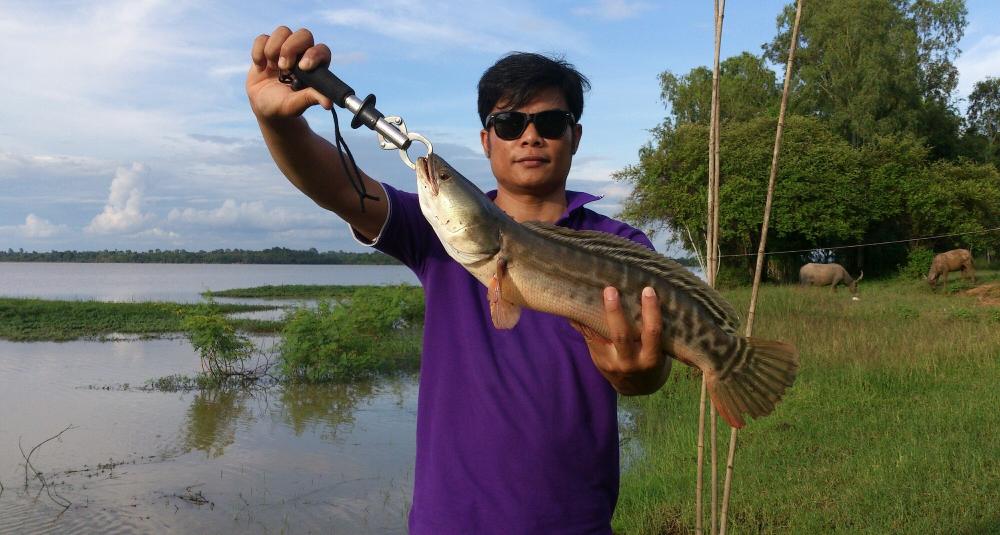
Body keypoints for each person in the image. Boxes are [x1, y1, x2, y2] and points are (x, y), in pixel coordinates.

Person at [248, 26, 670, 535]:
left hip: (576, 522)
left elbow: (647, 373)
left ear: (574, 136)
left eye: (551, 122)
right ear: (486, 140)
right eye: (510, 123)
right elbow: (337, 186)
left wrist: (633, 372)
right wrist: (279, 124)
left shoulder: (623, 248)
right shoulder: (436, 233)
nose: (530, 136)